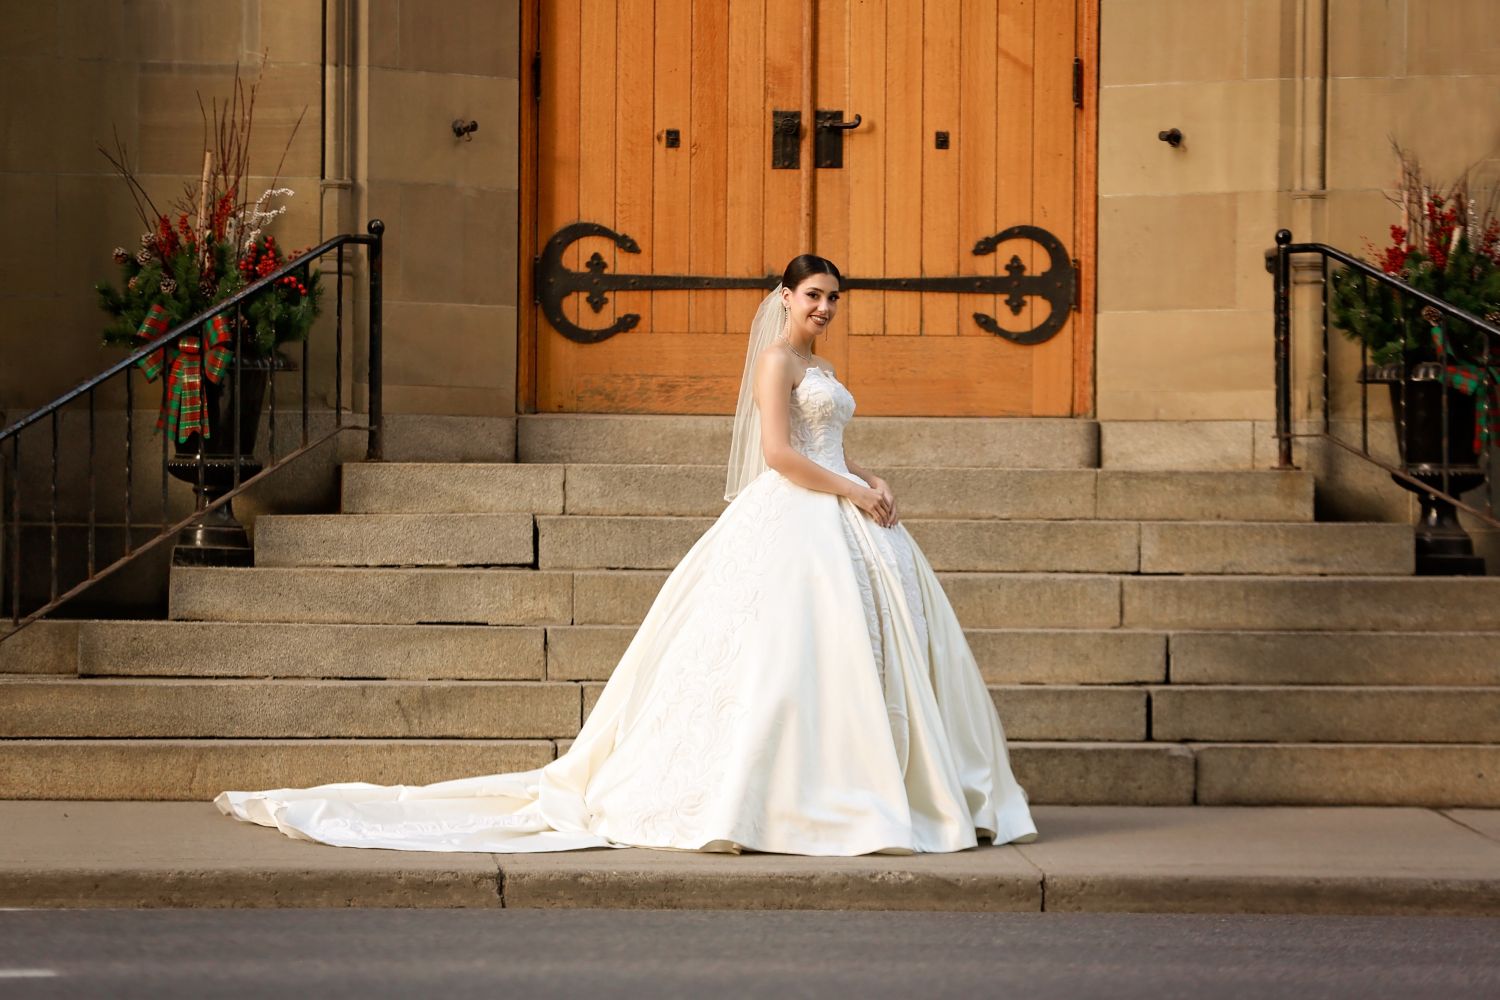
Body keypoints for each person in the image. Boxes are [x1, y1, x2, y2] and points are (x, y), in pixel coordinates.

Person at [216, 254, 1038, 855]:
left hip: (841, 510)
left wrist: (868, 474)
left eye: (832, 298)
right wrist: (851, 491)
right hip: (797, 515)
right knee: (774, 657)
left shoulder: (820, 363)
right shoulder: (776, 359)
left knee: (847, 656)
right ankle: (774, 796)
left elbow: (827, 441)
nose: (824, 307)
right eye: (813, 295)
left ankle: (867, 787)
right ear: (784, 297)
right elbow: (782, 456)